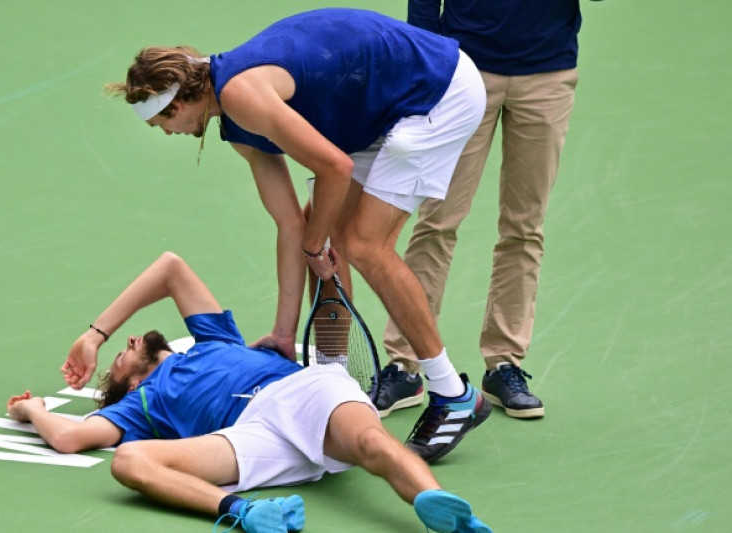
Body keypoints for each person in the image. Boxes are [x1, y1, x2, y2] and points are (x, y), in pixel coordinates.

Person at [107, 7, 490, 462]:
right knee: (322, 229)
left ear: (175, 105)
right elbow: (290, 222)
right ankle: (333, 376)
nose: (167, 133)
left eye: (161, 124)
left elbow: (336, 168)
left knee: (364, 244)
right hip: (380, 103)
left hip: (437, 89)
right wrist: (284, 333)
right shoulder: (236, 126)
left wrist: (315, 245)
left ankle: (453, 394)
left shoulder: (241, 94)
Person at [7, 251, 492, 533]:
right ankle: (244, 513)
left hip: (299, 391)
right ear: (128, 383)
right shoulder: (138, 406)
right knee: (128, 462)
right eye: (119, 355)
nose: (131, 340)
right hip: (250, 437)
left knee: (369, 443)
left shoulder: (213, 338)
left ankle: (440, 508)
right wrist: (32, 409)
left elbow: (170, 267)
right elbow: (71, 438)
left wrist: (96, 336)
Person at [382, 0, 594, 420]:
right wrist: (429, 58)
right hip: (463, 75)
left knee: (524, 228)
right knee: (437, 222)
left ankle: (504, 365)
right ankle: (405, 365)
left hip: (548, 76)